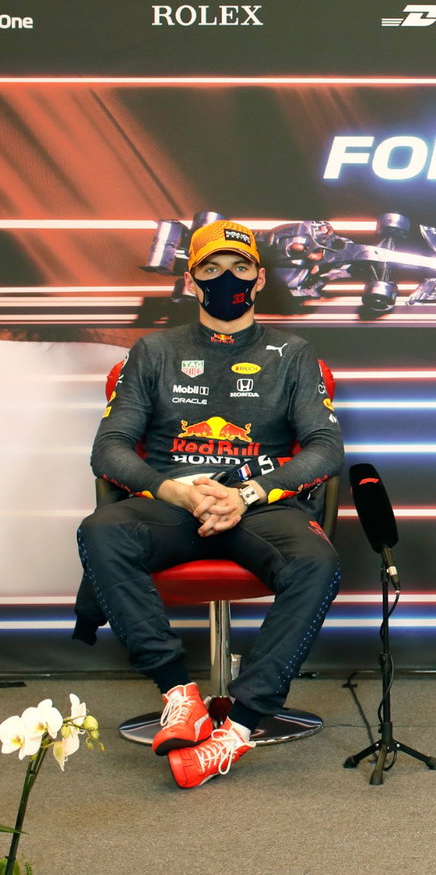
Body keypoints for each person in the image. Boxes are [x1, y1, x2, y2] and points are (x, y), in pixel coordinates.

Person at [76, 220, 343, 786]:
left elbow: (325, 448)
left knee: (317, 563)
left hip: (259, 504)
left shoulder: (292, 353)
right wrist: (172, 489)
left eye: (241, 268)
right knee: (101, 529)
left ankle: (237, 729)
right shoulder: (152, 351)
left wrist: (247, 493)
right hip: (174, 500)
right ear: (192, 279)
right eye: (212, 268)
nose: (228, 279)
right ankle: (179, 694)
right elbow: (110, 448)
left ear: (261, 278)